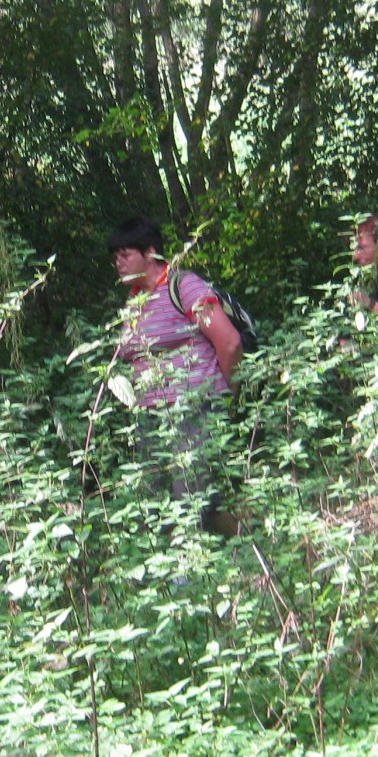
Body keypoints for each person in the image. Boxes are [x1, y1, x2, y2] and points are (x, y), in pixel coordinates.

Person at [107, 216, 244, 527]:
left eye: (125, 255)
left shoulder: (183, 286)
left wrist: (226, 397)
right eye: (115, 257)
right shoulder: (134, 302)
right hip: (152, 418)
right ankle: (235, 542)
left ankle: (221, 553)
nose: (118, 263)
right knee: (154, 502)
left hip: (194, 407)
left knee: (191, 500)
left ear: (150, 253)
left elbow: (230, 342)